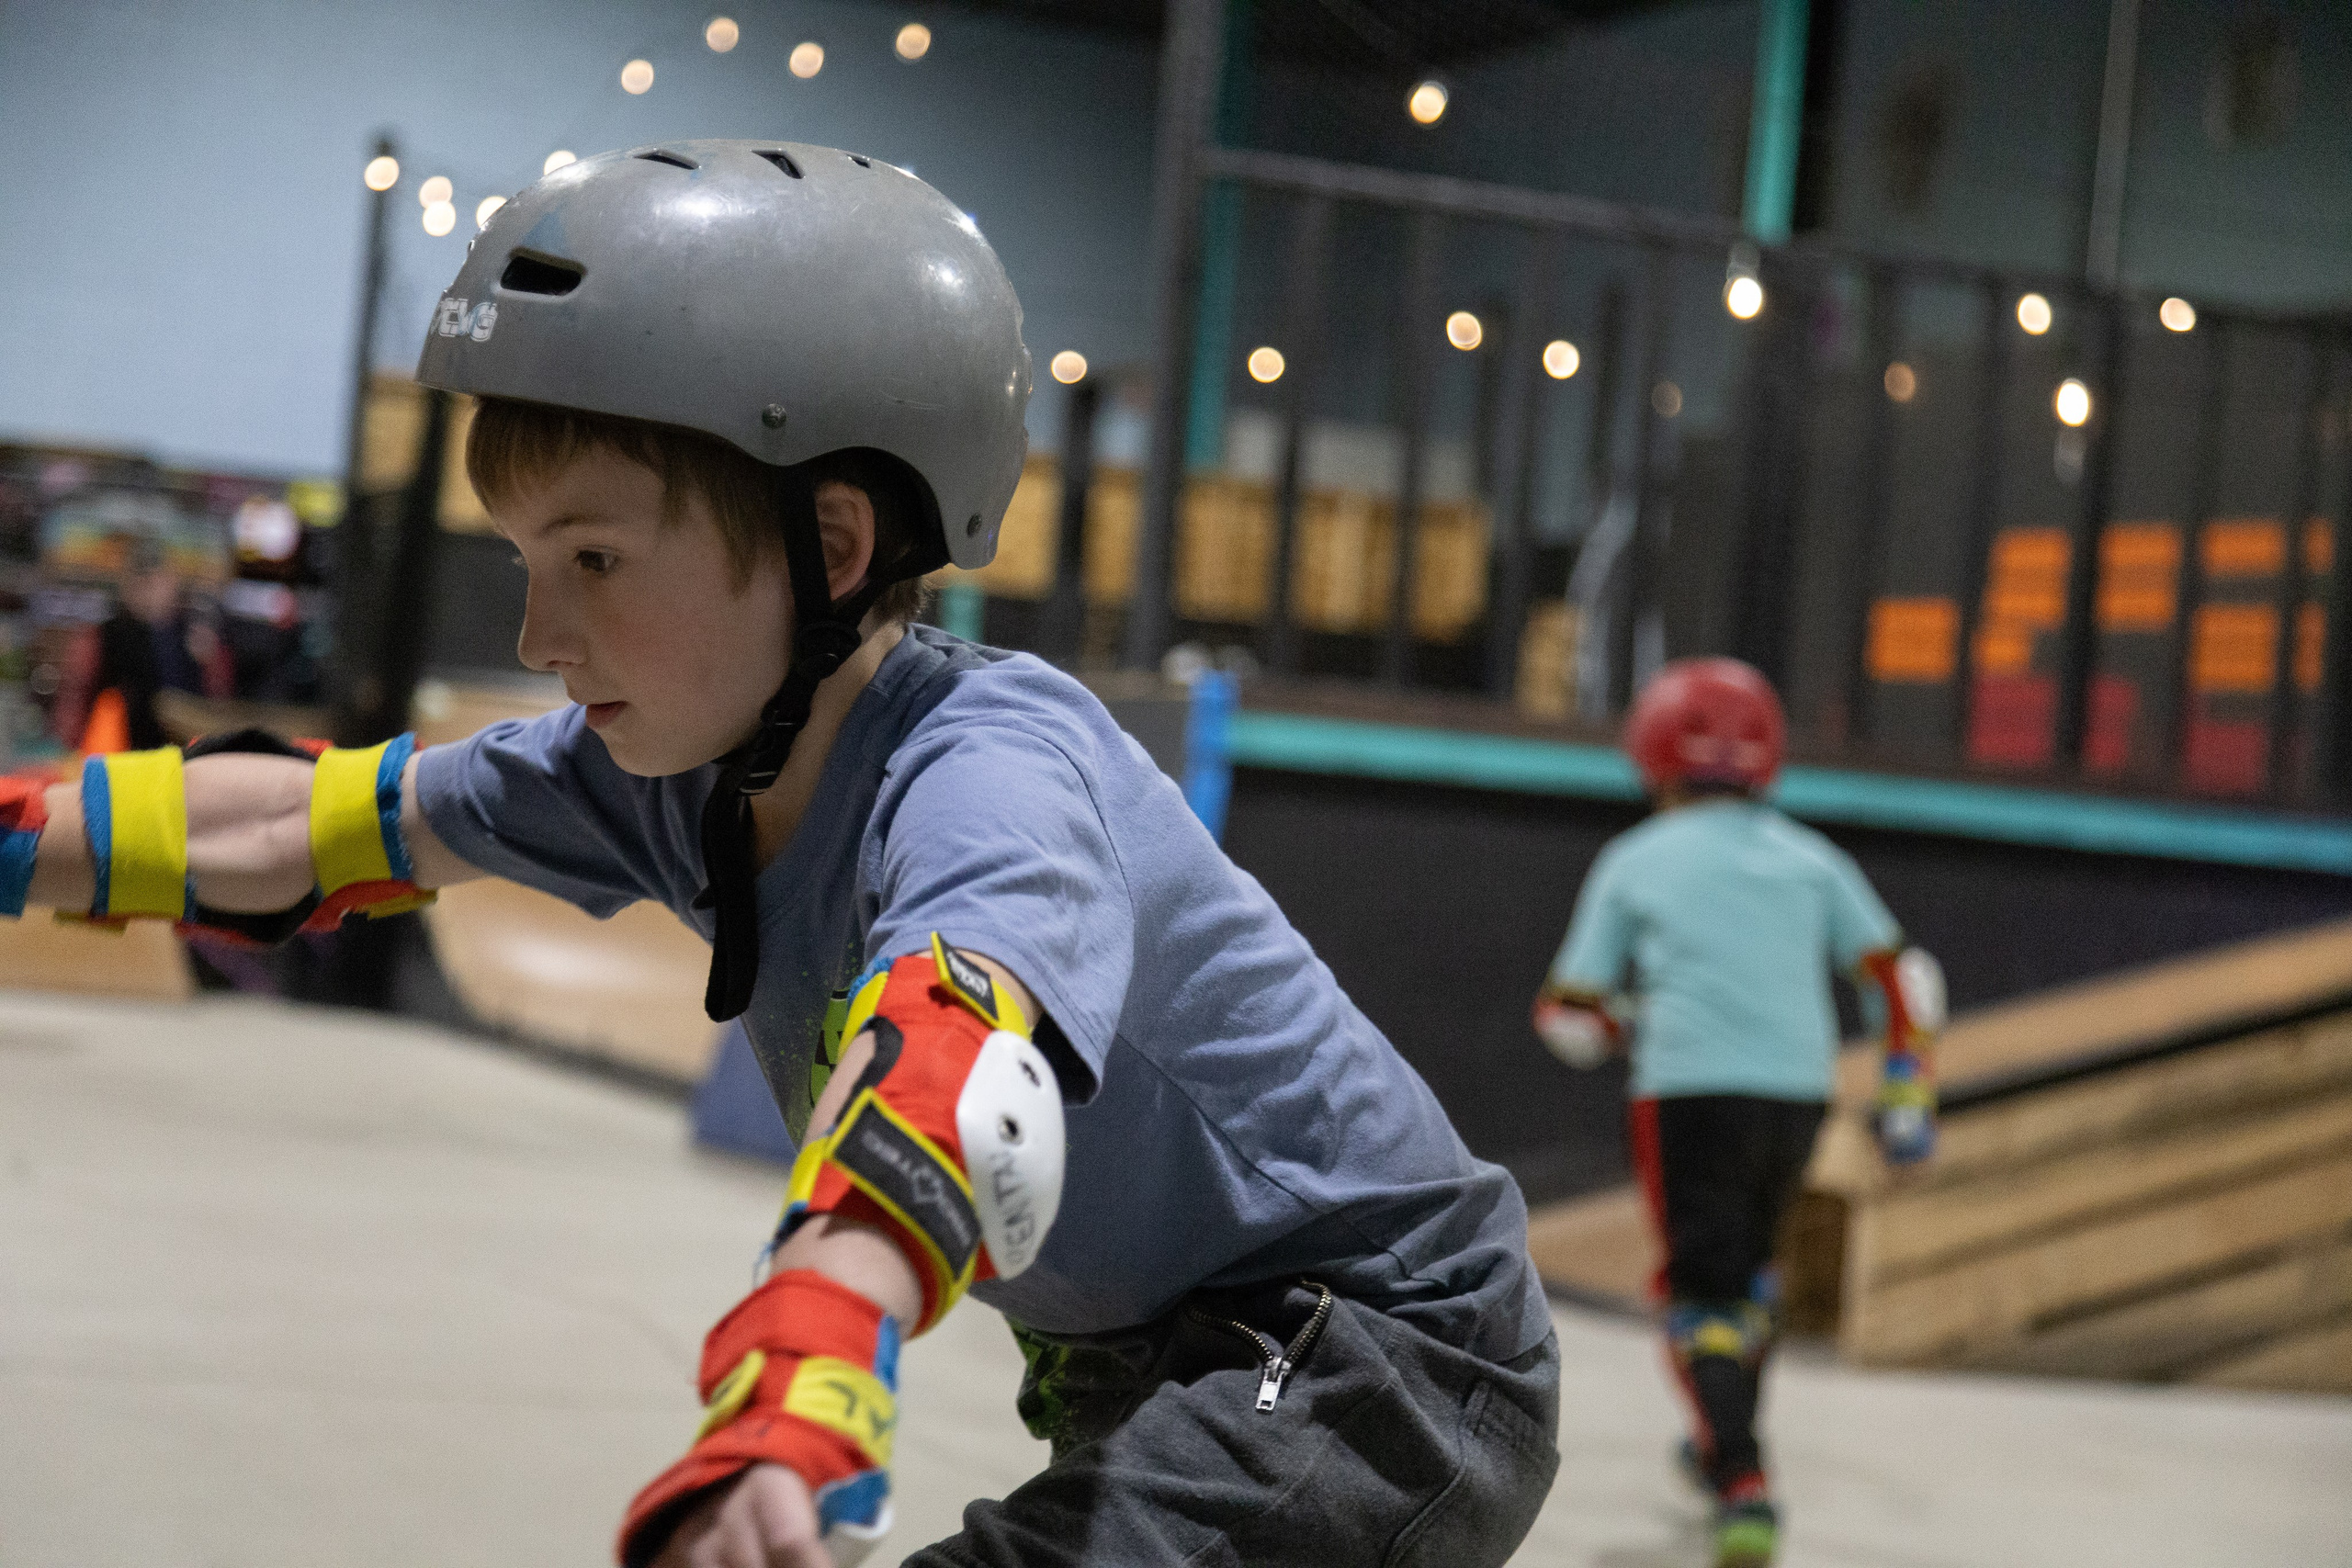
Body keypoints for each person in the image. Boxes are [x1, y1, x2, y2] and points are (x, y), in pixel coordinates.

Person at [2, 141, 1559, 1568]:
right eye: (528, 562)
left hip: (1379, 1350)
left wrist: (806, 1370)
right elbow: (298, 823)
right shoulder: (659, 766)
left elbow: (958, 1059)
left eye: (596, 557)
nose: (541, 636)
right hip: (1155, 1352)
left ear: (830, 547)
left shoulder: (992, 766)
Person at [1531, 658, 1941, 1568]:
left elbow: (1568, 1012)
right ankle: (1718, 1436)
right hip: (1798, 1094)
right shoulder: (1813, 858)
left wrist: (1624, 1021)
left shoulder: (1635, 859)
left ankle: (1743, 1478)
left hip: (1687, 1093)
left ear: (1651, 754)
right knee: (1750, 1276)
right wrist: (1906, 1096)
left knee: (1698, 1290)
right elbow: (1902, 981)